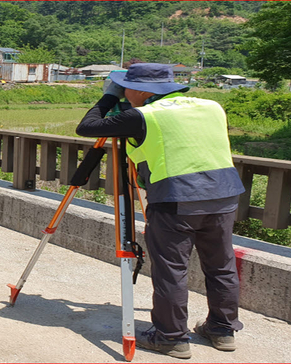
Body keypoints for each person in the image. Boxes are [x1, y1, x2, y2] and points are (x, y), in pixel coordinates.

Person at [75, 63, 245, 359]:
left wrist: (109, 97)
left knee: (172, 270)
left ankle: (171, 338)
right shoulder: (212, 106)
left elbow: (87, 127)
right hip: (224, 195)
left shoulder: (142, 115)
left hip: (176, 199)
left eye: (126, 86)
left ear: (142, 90)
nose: (125, 92)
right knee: (221, 264)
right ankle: (223, 330)